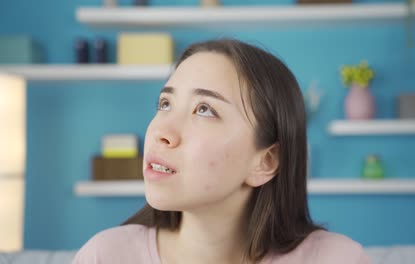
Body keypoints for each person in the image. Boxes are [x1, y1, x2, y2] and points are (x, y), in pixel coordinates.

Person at [72, 38, 370, 264]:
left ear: (266, 161)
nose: (161, 132)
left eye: (204, 109)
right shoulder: (105, 256)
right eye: (165, 104)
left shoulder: (338, 259)